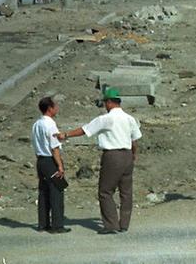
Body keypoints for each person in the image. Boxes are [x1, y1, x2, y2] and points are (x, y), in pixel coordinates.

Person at [58, 88, 142, 234]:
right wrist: (133, 155)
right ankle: (124, 224)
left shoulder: (106, 119)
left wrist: (66, 134)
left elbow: (85, 130)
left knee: (105, 191)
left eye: (105, 102)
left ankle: (111, 225)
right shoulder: (130, 119)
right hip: (127, 155)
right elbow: (134, 140)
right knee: (126, 192)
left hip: (112, 156)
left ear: (109, 102)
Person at [31, 96, 69, 234]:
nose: (57, 108)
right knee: (56, 191)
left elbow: (35, 143)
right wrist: (60, 166)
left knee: (43, 192)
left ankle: (43, 224)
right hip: (49, 160)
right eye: (55, 106)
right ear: (50, 108)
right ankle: (57, 225)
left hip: (40, 160)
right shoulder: (50, 124)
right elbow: (54, 147)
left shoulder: (36, 124)